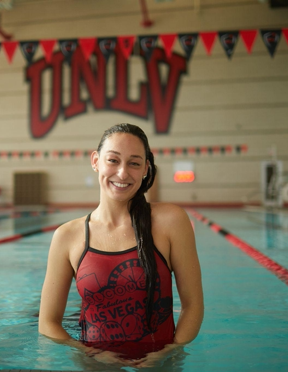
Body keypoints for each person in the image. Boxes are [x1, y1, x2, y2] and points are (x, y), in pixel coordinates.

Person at [38, 123, 204, 368]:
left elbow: (193, 305)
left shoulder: (171, 221)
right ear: (95, 161)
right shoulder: (68, 236)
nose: (123, 173)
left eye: (134, 163)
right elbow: (48, 323)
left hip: (159, 365)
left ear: (146, 169)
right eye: (113, 160)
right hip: (95, 364)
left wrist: (169, 352)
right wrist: (89, 354)